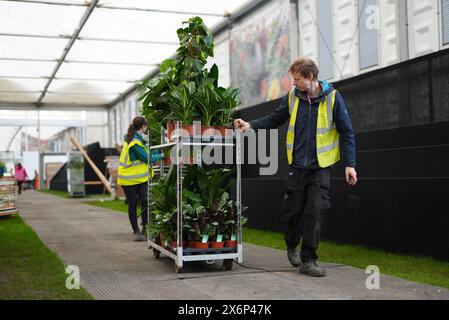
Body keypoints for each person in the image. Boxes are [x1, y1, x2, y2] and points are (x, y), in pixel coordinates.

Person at [233, 57, 357, 277]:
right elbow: (274, 119)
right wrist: (250, 125)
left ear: (310, 77)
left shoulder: (333, 98)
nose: (294, 84)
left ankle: (309, 260)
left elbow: (346, 132)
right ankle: (291, 243)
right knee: (291, 212)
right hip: (297, 167)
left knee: (314, 213)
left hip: (320, 168)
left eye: (297, 79)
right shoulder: (293, 97)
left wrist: (350, 165)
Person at [118, 116, 162, 242]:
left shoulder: (137, 139)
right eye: (146, 126)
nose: (147, 128)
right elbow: (147, 158)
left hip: (141, 178)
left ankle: (145, 228)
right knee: (133, 204)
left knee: (145, 201)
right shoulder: (134, 143)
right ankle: (136, 231)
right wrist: (161, 154)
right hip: (129, 179)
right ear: (143, 127)